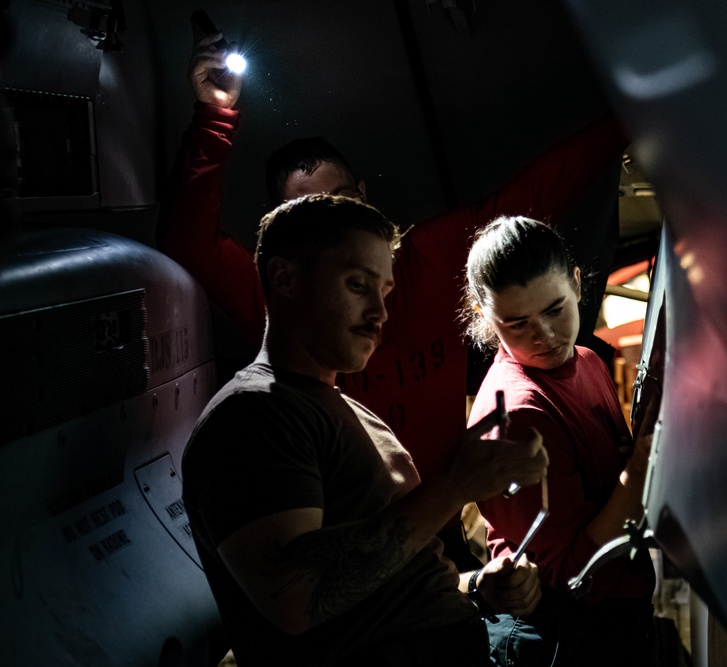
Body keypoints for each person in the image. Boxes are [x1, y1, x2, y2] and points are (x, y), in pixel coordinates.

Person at [157, 27, 628, 570]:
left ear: (364, 197)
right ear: (281, 240)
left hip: (441, 532)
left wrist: (638, 116)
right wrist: (214, 116)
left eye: (339, 204)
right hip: (346, 550)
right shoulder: (280, 295)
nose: (334, 232)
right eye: (310, 217)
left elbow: (536, 192)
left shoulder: (425, 258)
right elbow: (186, 244)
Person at [182, 195, 549, 666]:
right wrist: (454, 486)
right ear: (284, 277)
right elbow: (296, 597)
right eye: (358, 285)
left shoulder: (350, 411)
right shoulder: (253, 415)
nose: (380, 313)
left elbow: (386, 586)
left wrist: (476, 584)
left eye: (385, 291)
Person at [463, 216, 656, 665]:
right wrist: (642, 473)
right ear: (484, 317)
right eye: (517, 324)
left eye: (554, 310)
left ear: (575, 283)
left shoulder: (587, 359)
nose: (545, 336)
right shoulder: (517, 415)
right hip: (559, 638)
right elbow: (575, 579)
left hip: (619, 622)